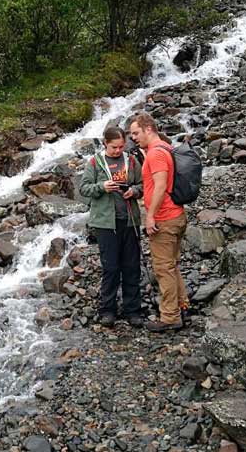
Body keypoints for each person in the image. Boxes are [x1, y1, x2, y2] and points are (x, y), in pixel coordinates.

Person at [78, 126, 146, 328]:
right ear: (105, 144)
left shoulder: (131, 161)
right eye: (114, 147)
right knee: (111, 267)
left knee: (132, 267)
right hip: (105, 223)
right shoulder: (94, 162)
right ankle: (107, 310)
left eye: (121, 147)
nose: (118, 151)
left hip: (129, 221)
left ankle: (132, 310)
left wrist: (134, 191)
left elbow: (143, 185)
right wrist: (101, 187)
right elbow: (83, 188)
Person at [128, 112, 188, 331]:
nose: (133, 138)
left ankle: (170, 316)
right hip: (176, 215)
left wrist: (150, 215)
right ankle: (182, 306)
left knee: (163, 268)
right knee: (172, 265)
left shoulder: (155, 154)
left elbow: (161, 185)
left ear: (148, 129)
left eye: (136, 133)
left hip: (165, 218)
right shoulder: (166, 148)